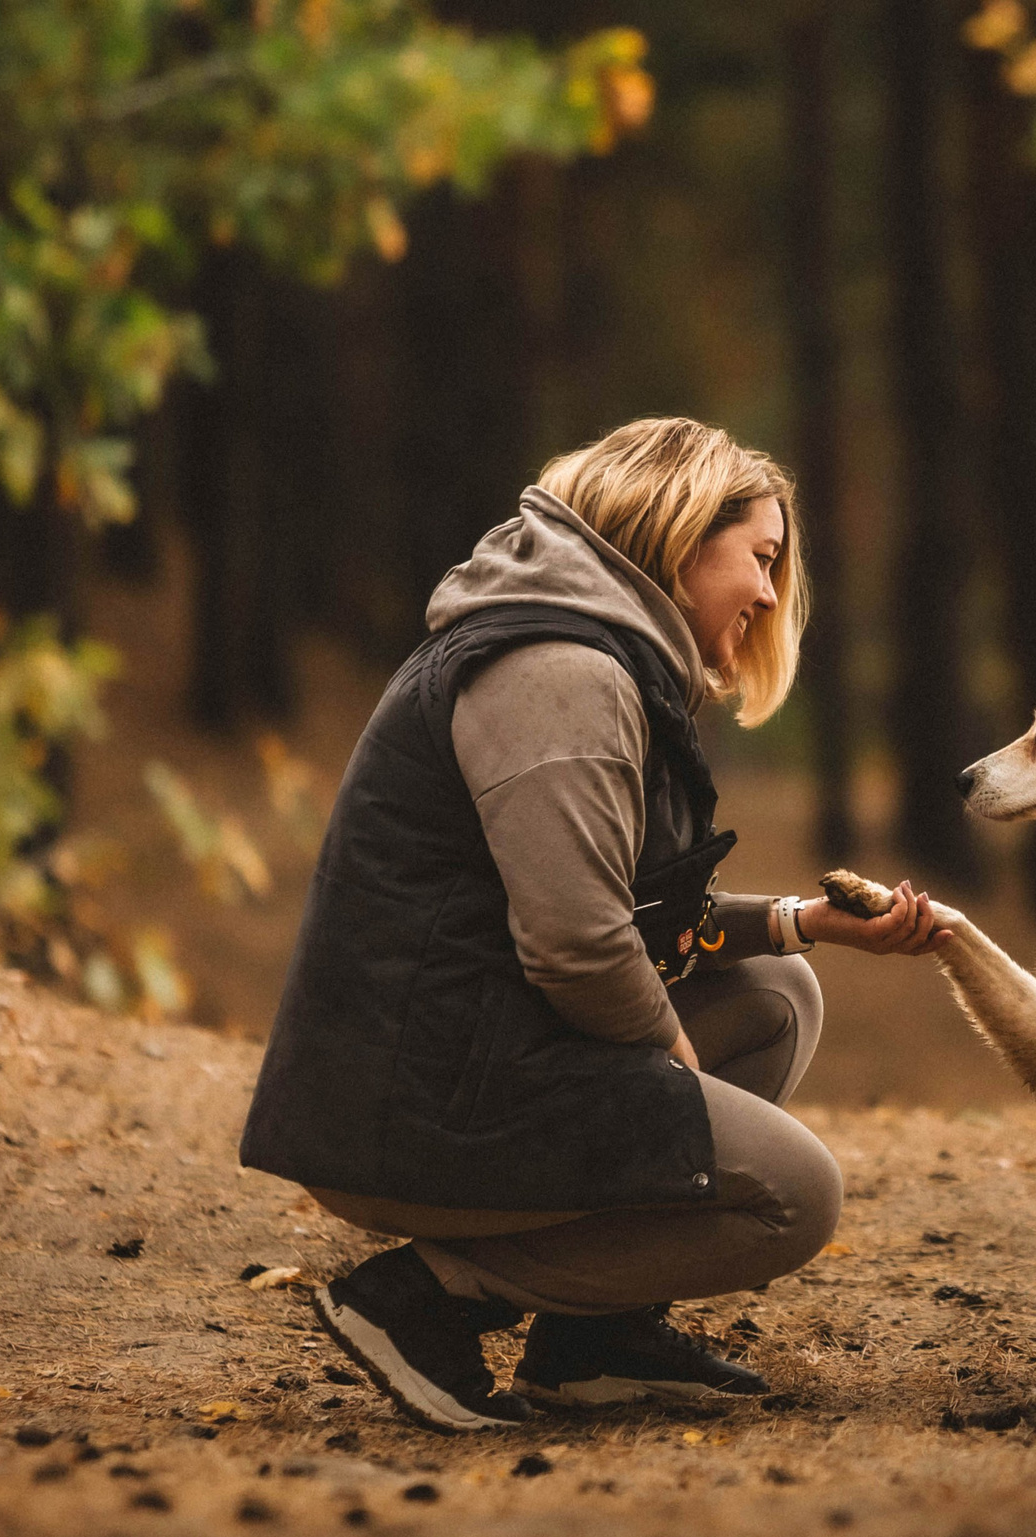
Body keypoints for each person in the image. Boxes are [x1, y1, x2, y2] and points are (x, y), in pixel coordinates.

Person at [239, 417, 944, 1432]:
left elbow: (627, 911)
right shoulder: (560, 672)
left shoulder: (600, 657)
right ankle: (422, 1298)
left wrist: (801, 921)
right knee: (794, 1193)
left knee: (777, 994)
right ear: (681, 532)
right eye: (761, 557)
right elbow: (576, 943)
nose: (766, 592)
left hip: (472, 1049)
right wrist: (670, 1071)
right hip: (414, 1099)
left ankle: (592, 1341)